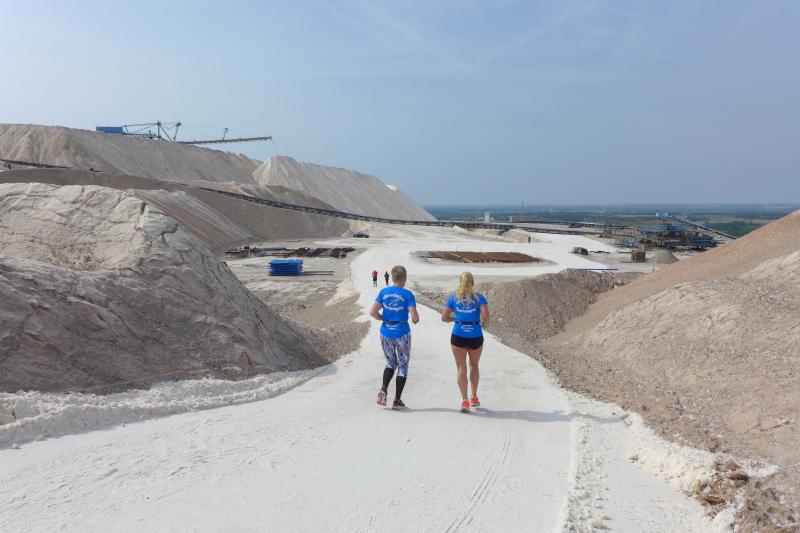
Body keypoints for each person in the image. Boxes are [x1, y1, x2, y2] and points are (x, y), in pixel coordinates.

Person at [370, 265, 420, 409]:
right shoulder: (407, 294)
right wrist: (415, 319)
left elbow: (372, 312)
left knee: (391, 363)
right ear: (404, 278)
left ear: (392, 278)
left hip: (386, 332)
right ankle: (397, 400)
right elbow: (415, 317)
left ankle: (384, 388)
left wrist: (383, 318)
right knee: (402, 366)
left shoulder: (384, 292)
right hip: (402, 333)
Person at [441, 272, 490, 412]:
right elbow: (486, 316)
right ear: (472, 283)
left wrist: (455, 319)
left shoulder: (453, 297)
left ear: (460, 282)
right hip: (475, 334)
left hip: (458, 334)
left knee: (461, 368)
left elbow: (444, 318)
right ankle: (474, 396)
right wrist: (483, 324)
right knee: (474, 365)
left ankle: (465, 401)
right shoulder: (479, 297)